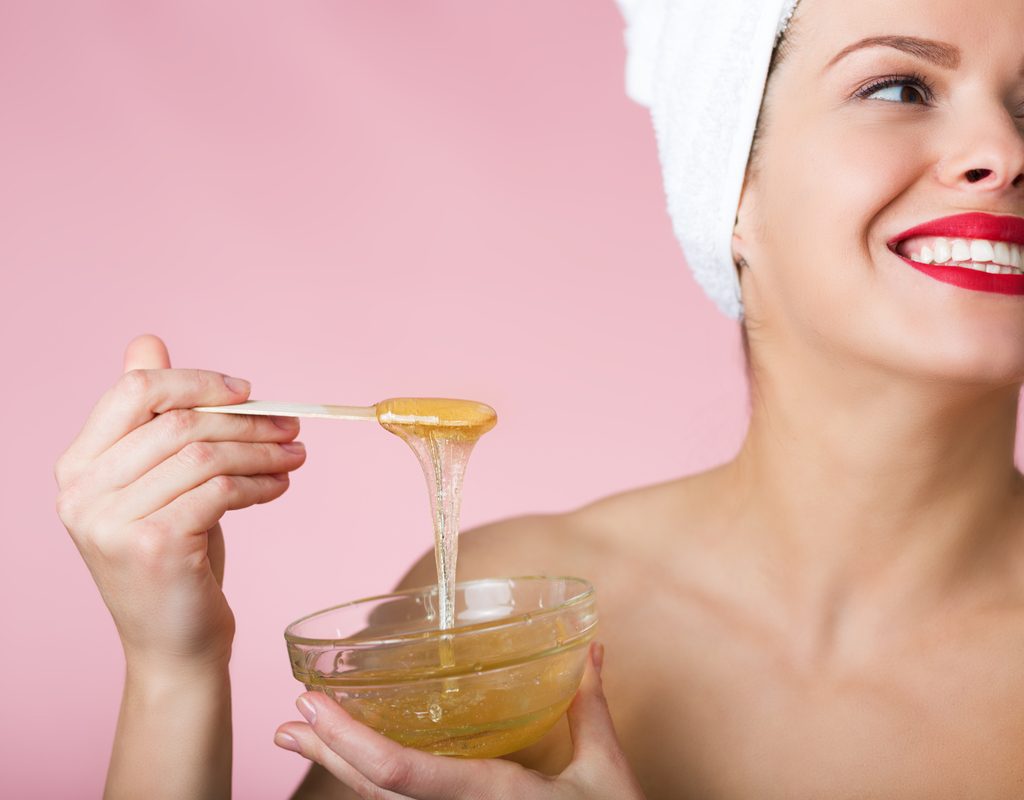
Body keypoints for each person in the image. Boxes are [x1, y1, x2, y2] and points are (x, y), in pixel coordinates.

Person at [56, 0, 1024, 795]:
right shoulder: (499, 626)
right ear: (733, 184)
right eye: (899, 87)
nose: (1002, 149)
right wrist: (174, 673)